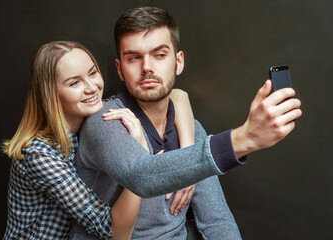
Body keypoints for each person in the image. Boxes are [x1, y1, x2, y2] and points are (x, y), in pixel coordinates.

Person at [69, 6, 302, 240]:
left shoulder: (191, 128)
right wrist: (243, 139)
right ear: (120, 69)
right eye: (134, 58)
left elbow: (216, 220)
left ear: (178, 62)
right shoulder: (106, 120)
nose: (147, 67)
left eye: (159, 55)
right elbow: (142, 176)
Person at [2, 40, 195, 239]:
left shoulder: (93, 114)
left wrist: (188, 159)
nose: (91, 88)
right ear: (50, 93)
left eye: (93, 73)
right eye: (74, 82)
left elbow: (178, 95)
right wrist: (140, 158)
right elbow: (107, 228)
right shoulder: (39, 154)